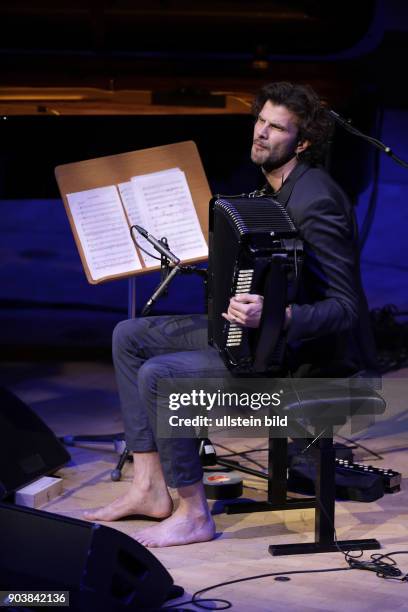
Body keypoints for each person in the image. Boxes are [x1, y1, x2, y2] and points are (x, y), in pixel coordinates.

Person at [84, 82, 378, 547]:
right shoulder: (272, 189)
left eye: (276, 128)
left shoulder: (317, 200)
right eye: (260, 121)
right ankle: (148, 488)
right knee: (129, 335)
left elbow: (346, 309)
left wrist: (277, 315)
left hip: (301, 363)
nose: (261, 133)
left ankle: (195, 514)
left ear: (302, 142)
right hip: (256, 338)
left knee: (162, 375)